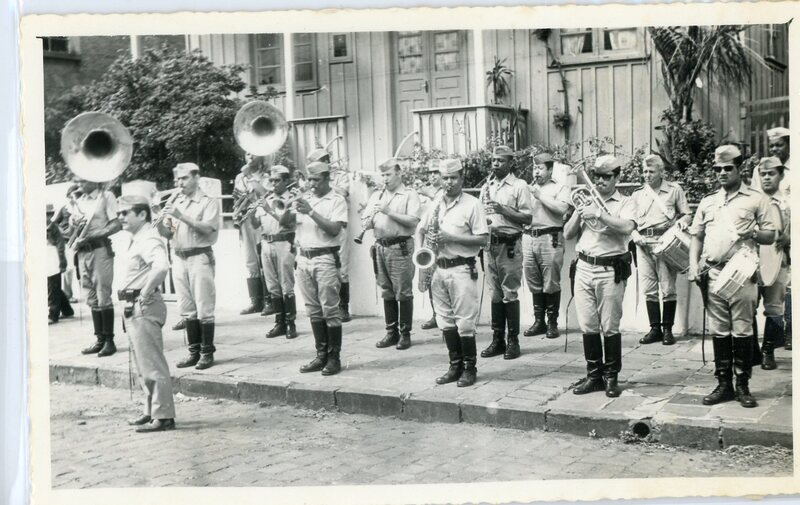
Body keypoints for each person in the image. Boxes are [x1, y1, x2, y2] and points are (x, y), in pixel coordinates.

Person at [688, 145, 778, 408]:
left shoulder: (756, 199)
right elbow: (696, 236)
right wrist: (693, 265)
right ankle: (724, 384)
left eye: (728, 168)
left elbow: (770, 235)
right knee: (719, 330)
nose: (722, 173)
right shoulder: (708, 201)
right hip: (714, 272)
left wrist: (753, 233)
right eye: (717, 169)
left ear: (740, 169)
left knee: (742, 329)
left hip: (741, 272)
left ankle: (743, 386)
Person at [564, 155, 636, 398]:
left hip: (610, 269)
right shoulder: (586, 199)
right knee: (588, 325)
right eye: (596, 176)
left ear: (617, 177)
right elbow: (567, 234)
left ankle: (611, 377)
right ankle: (594, 376)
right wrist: (579, 212)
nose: (600, 181)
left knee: (610, 326)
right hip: (584, 266)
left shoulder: (626, 202)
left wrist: (599, 214)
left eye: (606, 176)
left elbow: (627, 227)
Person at [416, 158, 489, 387]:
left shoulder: (473, 204)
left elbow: (483, 240)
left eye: (453, 178)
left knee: (465, 322)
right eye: (445, 178)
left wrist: (450, 238)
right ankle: (454, 366)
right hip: (438, 267)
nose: (449, 182)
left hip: (461, 268)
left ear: (461, 178)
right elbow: (420, 230)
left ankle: (469, 368)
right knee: (445, 320)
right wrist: (422, 255)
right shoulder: (436, 202)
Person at [116, 195, 177, 433]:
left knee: (152, 363)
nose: (120, 217)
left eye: (125, 213)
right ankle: (151, 410)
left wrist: (145, 292)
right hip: (132, 305)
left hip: (142, 304)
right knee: (142, 363)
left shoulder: (149, 238)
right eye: (119, 213)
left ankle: (164, 416)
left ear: (142, 214)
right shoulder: (137, 238)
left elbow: (161, 266)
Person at [157, 163, 222, 370]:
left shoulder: (208, 201)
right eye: (177, 179)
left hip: (199, 257)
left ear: (196, 178)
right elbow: (169, 234)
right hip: (179, 257)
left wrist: (180, 216)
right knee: (186, 309)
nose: (179, 183)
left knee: (204, 307)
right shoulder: (178, 201)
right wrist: (160, 221)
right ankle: (194, 351)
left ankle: (207, 352)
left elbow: (208, 228)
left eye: (184, 178)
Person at [629, 154, 692, 346]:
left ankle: (667, 330)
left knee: (668, 288)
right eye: (644, 171)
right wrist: (634, 234)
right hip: (643, 244)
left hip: (665, 243)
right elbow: (629, 221)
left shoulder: (674, 190)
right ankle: (655, 329)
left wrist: (682, 222)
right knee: (648, 289)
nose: (647, 175)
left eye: (651, 171)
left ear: (661, 172)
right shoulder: (638, 194)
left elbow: (687, 214)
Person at [479, 145, 533, 360]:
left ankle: (513, 341)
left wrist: (503, 210)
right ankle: (497, 340)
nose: (495, 164)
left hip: (509, 245)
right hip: (489, 245)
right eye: (493, 160)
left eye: (500, 160)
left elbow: (527, 218)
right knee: (495, 294)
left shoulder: (519, 186)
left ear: (511, 163)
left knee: (509, 293)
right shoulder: (487, 186)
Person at [295, 161, 349, 375]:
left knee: (330, 310)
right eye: (309, 179)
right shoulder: (305, 198)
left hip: (325, 257)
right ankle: (321, 355)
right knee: (313, 310)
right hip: (303, 258)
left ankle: (334, 358)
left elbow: (334, 229)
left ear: (327, 179)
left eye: (316, 179)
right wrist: (287, 210)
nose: (311, 183)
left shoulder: (336, 200)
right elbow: (287, 225)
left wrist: (310, 211)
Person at [363, 157, 421, 350]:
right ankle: (391, 333)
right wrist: (367, 222)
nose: (385, 179)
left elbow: (413, 221)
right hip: (380, 247)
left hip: (400, 246)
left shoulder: (409, 194)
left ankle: (405, 334)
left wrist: (388, 211)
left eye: (388, 174)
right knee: (386, 291)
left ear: (398, 173)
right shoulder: (376, 195)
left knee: (403, 291)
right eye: (383, 175)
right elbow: (366, 220)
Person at [522, 152, 570, 339]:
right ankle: (539, 321)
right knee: (533, 280)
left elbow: (562, 209)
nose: (536, 172)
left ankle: (552, 323)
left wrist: (540, 196)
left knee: (551, 281)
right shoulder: (528, 187)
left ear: (550, 170)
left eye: (540, 168)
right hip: (529, 237)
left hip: (550, 237)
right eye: (534, 168)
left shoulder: (560, 187)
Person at [72, 178, 121, 357]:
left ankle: (109, 341)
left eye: (82, 181)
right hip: (83, 252)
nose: (79, 185)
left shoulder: (106, 196)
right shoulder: (79, 201)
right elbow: (74, 230)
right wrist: (74, 225)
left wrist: (94, 234)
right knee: (91, 297)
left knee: (103, 294)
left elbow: (116, 224)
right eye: (77, 181)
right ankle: (99, 339)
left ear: (93, 179)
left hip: (100, 249)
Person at [307, 148, 353, 322]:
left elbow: (344, 192)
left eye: (324, 160)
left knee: (342, 267)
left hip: (337, 225)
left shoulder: (340, 176)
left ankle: (343, 307)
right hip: (316, 227)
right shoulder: (312, 180)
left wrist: (324, 179)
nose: (324, 162)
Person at [254, 165, 298, 340]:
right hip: (266, 243)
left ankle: (291, 323)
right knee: (272, 286)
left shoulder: (292, 199)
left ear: (286, 181)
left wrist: (268, 209)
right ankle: (279, 323)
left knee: (287, 284)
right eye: (271, 180)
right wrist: (251, 210)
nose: (273, 184)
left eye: (277, 180)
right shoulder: (267, 198)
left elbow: (287, 222)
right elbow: (255, 225)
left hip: (284, 243)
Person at [755, 156, 791, 369]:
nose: (767, 178)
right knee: (747, 305)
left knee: (774, 307)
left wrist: (790, 237)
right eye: (763, 174)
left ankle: (768, 351)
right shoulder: (752, 200)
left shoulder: (789, 203)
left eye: (771, 174)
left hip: (777, 260)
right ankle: (751, 351)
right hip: (751, 260)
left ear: (781, 175)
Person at [233, 154, 273, 316]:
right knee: (250, 260)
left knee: (263, 258)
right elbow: (237, 197)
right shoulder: (239, 177)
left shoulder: (266, 176)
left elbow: (266, 194)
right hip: (246, 219)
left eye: (253, 154)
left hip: (261, 218)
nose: (249, 157)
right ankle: (255, 301)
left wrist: (250, 177)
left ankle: (269, 300)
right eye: (247, 153)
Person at [418, 159, 444, 330]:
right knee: (429, 279)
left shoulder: (444, 191)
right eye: (430, 173)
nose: (433, 176)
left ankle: (445, 316)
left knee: (443, 280)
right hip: (428, 240)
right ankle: (435, 315)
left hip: (442, 240)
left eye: (436, 172)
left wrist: (430, 194)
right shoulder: (423, 193)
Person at [46, 205, 73, 324]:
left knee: (53, 288)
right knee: (54, 287)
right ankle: (67, 310)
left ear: (51, 215)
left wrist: (62, 263)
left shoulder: (54, 229)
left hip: (53, 260)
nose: (45, 217)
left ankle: (53, 315)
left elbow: (61, 247)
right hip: (45, 260)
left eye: (48, 214)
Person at [751, 127, 790, 195]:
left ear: (789, 145)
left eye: (779, 145)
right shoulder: (759, 169)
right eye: (771, 146)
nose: (774, 149)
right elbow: (754, 195)